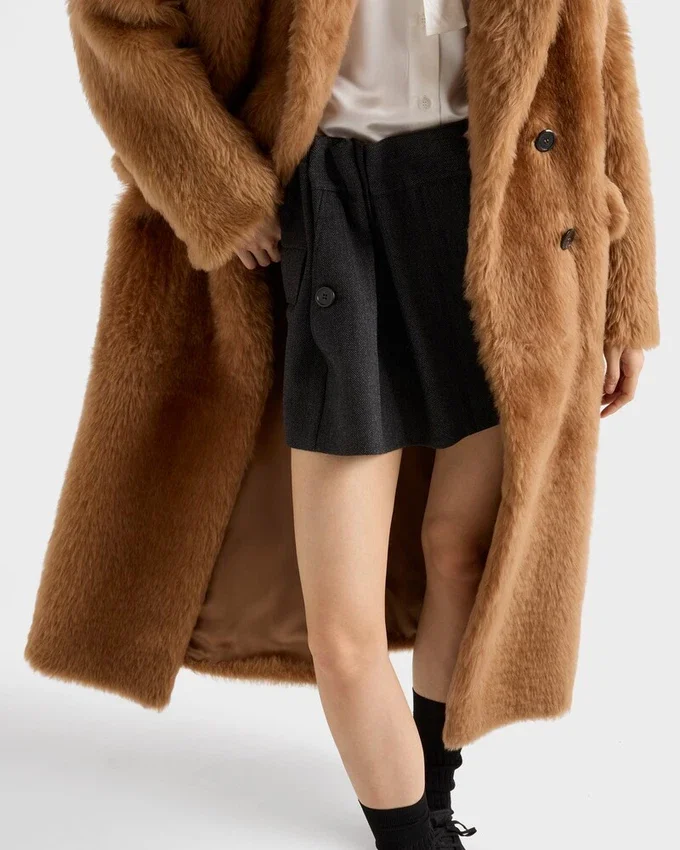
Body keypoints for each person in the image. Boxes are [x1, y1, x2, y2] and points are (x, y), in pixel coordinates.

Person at [25, 2, 660, 849]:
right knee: (340, 627)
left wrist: (625, 303)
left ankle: (432, 793)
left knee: (463, 552)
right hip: (328, 214)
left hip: (500, 219)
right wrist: (216, 188)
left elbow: (601, 69)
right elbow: (115, 21)